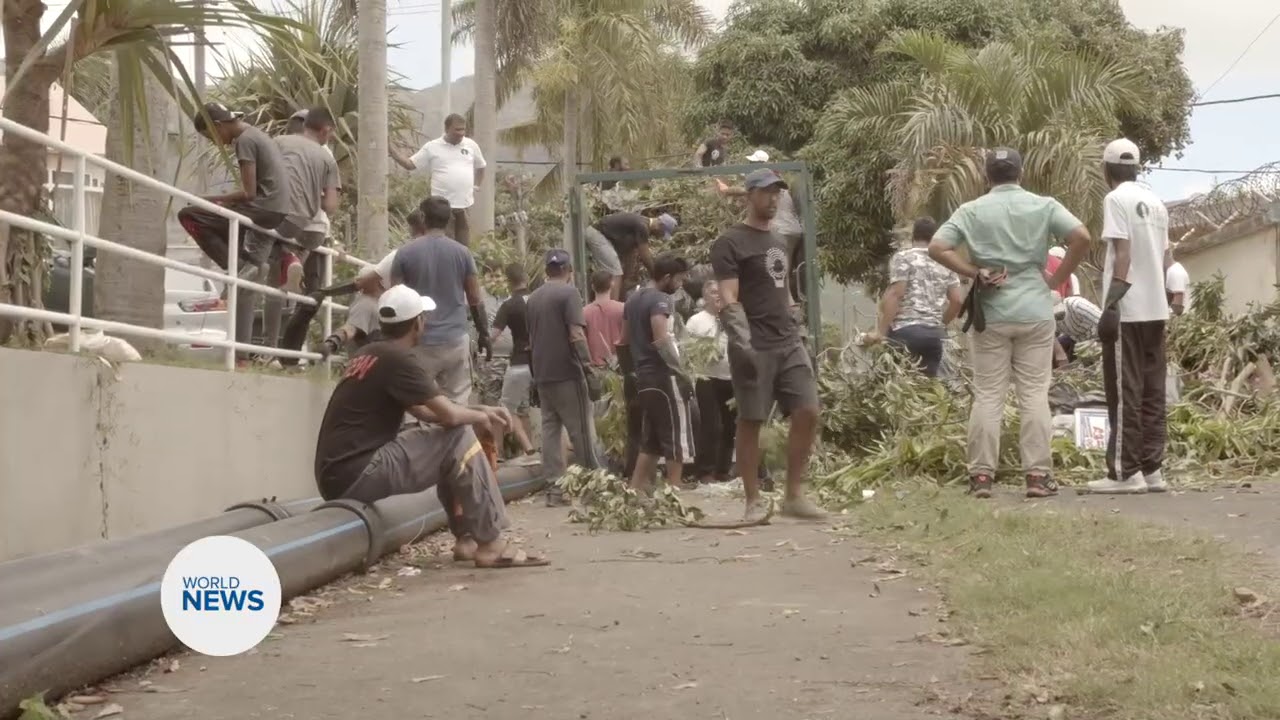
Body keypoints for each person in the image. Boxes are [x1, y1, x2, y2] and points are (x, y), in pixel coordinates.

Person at [312, 285, 548, 569]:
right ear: (417, 323)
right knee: (458, 437)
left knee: (451, 437)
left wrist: (479, 410)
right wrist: (478, 418)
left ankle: (467, 540)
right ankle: (491, 543)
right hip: (361, 470)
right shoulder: (398, 360)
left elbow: (425, 411)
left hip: (337, 475)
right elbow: (449, 416)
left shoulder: (371, 353)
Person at [928, 147, 1091, 500]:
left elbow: (938, 247)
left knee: (989, 394)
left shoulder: (971, 210)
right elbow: (1082, 237)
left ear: (987, 176)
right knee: (1033, 394)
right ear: (1020, 172)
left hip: (992, 312)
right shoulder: (1043, 205)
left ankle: (982, 478)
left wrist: (973, 272)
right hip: (1034, 308)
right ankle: (1037, 477)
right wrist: (1057, 277)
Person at [710, 168, 825, 522]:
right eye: (765, 192)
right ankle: (752, 500)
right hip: (753, 343)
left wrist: (797, 323)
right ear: (749, 196)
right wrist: (742, 342)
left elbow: (785, 290)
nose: (773, 198)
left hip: (787, 340)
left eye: (777, 192)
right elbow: (728, 297)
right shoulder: (729, 242)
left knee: (808, 411)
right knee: (751, 420)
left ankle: (793, 495)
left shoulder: (778, 241)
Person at [1087, 138, 1173, 495]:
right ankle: (1152, 469)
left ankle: (1125, 473)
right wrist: (1172, 298)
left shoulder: (1115, 199)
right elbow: (1168, 258)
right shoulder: (1156, 203)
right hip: (1157, 309)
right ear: (1136, 168)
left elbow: (1122, 252)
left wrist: (1111, 303)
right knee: (1152, 390)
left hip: (1130, 309)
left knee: (1125, 390)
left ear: (1106, 170)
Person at [179, 102, 291, 364]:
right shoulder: (259, 134)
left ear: (219, 126)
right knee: (224, 222)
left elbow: (249, 193)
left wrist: (210, 199)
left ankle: (239, 267)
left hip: (262, 209)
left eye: (211, 136)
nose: (217, 143)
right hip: (276, 211)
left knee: (189, 215)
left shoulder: (244, 140)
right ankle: (251, 263)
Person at [392, 196, 496, 465]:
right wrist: (484, 334)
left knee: (417, 409)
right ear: (449, 220)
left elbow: (395, 298)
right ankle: (455, 465)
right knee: (457, 407)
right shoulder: (462, 253)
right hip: (454, 340)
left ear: (423, 219)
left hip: (418, 342)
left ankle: (417, 466)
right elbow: (474, 297)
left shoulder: (405, 253)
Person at [526, 249, 601, 506]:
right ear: (570, 271)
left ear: (547, 270)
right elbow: (576, 335)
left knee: (550, 431)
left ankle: (554, 491)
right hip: (568, 373)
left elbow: (531, 340)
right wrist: (589, 369)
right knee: (581, 431)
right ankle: (593, 488)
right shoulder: (570, 293)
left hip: (543, 374)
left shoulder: (533, 298)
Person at [262, 107, 342, 350]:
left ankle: (270, 348)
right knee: (310, 295)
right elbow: (331, 206)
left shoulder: (278, 144)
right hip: (316, 230)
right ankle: (292, 350)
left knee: (275, 288)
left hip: (284, 223)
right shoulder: (326, 156)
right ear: (324, 129)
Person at [621, 254, 694, 492]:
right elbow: (661, 339)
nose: (681, 285)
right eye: (679, 280)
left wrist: (629, 373)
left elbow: (622, 340)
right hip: (664, 376)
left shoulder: (632, 300)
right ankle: (674, 491)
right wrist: (681, 371)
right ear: (666, 278)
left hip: (643, 377)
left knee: (650, 441)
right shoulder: (660, 300)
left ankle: (635, 490)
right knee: (676, 434)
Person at [863, 217, 964, 377]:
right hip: (933, 337)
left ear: (913, 236)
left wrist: (880, 332)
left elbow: (896, 294)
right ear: (935, 237)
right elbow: (957, 300)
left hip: (904, 332)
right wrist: (940, 325)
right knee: (928, 391)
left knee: (896, 388)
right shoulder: (946, 262)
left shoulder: (903, 258)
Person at [715, 150, 807, 303]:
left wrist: (726, 190)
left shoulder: (770, 183)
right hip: (792, 229)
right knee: (781, 272)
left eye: (755, 163)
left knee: (777, 274)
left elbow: (744, 191)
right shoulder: (776, 180)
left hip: (782, 230)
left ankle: (783, 304)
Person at [391, 113, 486, 246]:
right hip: (441, 207)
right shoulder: (432, 147)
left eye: (463, 129)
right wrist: (391, 150)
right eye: (457, 129)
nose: (461, 133)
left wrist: (477, 185)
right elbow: (410, 165)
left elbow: (481, 166)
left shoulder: (471, 145)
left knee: (463, 247)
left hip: (464, 206)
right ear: (447, 129)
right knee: (444, 244)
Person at [686, 280, 736, 483]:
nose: (718, 296)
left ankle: (722, 469)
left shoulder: (732, 318)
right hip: (707, 378)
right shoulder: (696, 321)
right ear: (705, 296)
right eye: (713, 292)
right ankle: (704, 470)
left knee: (729, 426)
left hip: (731, 378)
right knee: (711, 426)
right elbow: (689, 351)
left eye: (720, 292)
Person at [490, 263, 537, 457]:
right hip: (539, 363)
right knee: (523, 408)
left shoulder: (509, 305)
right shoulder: (538, 299)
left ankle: (499, 454)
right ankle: (529, 455)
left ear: (509, 283)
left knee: (504, 409)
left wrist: (480, 346)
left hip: (518, 363)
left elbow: (493, 334)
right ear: (526, 278)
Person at [316, 250, 397, 359]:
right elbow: (351, 328)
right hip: (367, 361)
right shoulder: (365, 304)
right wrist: (333, 342)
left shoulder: (384, 304)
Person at [585, 211, 677, 301]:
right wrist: (656, 275)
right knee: (615, 272)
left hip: (602, 237)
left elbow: (630, 255)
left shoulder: (641, 225)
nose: (660, 237)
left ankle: (610, 301)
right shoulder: (642, 226)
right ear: (659, 225)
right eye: (662, 233)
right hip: (596, 234)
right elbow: (645, 256)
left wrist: (627, 278)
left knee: (617, 272)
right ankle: (612, 307)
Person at [583, 270, 625, 367]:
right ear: (612, 284)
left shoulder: (583, 313)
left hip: (594, 368)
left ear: (592, 287)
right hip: (618, 365)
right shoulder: (623, 309)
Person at [1052, 293, 1102, 367]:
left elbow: (1106, 322)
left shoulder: (1078, 305)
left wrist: (1096, 342)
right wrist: (1060, 354)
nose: (1057, 316)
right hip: (1076, 340)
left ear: (1063, 300)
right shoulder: (1048, 319)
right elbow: (1050, 336)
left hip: (1097, 337)